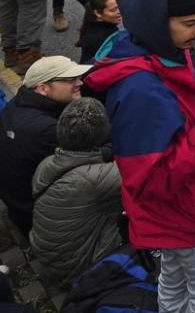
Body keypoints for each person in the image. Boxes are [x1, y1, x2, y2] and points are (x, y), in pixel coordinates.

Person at [88, 0, 195, 312]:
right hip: (192, 216)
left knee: (172, 282)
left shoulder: (157, 52)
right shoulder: (142, 90)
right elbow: (150, 181)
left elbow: (169, 134)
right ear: (155, 19)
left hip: (174, 217)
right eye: (191, 23)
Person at [30, 97, 124, 289]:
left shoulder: (47, 163)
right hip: (78, 272)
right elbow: (148, 170)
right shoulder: (95, 179)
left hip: (52, 260)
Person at [0, 56, 90, 235]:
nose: (79, 82)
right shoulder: (46, 130)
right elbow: (90, 160)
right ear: (43, 88)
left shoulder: (18, 104)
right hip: (36, 219)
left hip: (17, 203)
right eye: (70, 80)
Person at [77, 0, 121, 64]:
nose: (120, 12)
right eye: (113, 10)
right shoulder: (99, 38)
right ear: (97, 13)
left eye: (119, 6)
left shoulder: (93, 25)